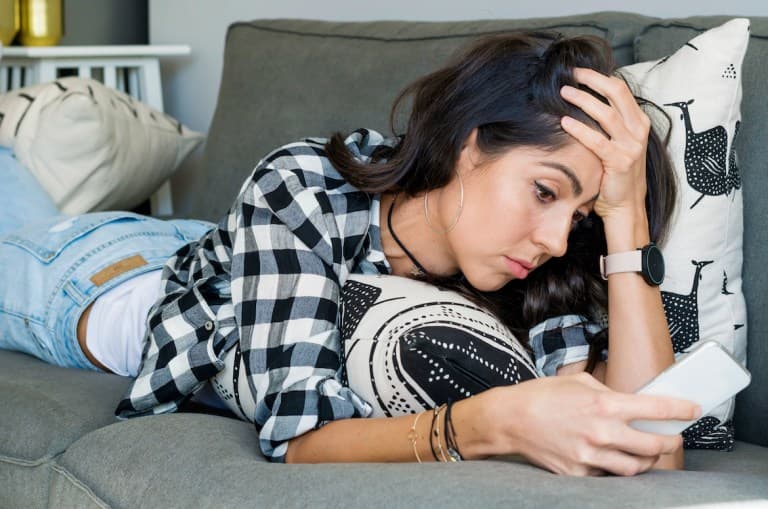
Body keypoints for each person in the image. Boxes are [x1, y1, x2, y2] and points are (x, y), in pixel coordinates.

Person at [0, 31, 701, 476]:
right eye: (545, 191)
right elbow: (299, 439)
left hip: (238, 246)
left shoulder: (539, 273)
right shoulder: (304, 184)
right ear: (470, 144)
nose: (556, 239)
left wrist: (625, 217)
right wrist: (487, 425)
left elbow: (655, 444)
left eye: (579, 215)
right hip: (101, 279)